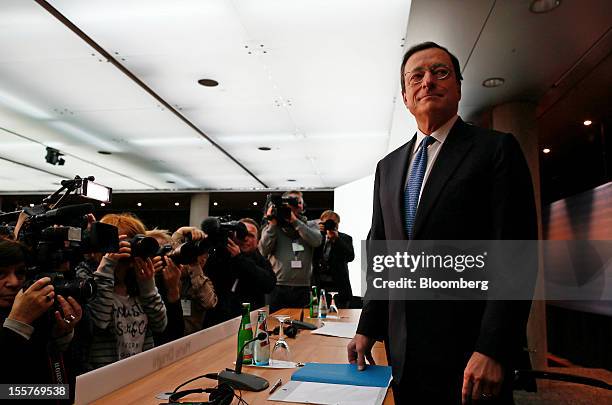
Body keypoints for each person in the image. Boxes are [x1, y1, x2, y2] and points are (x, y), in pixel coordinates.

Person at [347, 42, 537, 404]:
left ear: (459, 87)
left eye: (440, 72)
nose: (428, 81)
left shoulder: (496, 149)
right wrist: (368, 327)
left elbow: (517, 255)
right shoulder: (387, 167)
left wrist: (493, 348)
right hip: (404, 355)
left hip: (470, 356)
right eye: (416, 76)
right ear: (405, 96)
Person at [0, 239, 82, 402]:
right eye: (1, 274)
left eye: (20, 273)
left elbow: (66, 385)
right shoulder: (26, 314)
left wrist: (61, 337)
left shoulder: (39, 311)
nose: (14, 283)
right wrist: (17, 323)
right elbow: (5, 391)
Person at [86, 213, 167, 370]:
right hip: (105, 375)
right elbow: (100, 323)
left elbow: (160, 325)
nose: (130, 248)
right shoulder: (88, 280)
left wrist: (148, 285)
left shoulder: (138, 284)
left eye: (135, 241)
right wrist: (108, 265)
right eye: (123, 242)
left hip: (141, 371)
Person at [203, 219, 276, 326]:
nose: (245, 238)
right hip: (219, 321)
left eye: (251, 235)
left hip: (250, 321)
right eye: (241, 234)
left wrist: (239, 258)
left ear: (258, 240)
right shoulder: (220, 255)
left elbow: (269, 285)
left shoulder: (260, 260)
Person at [259, 191, 322, 312]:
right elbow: (262, 251)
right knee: (275, 325)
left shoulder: (310, 225)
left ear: (302, 206)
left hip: (303, 287)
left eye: (298, 202)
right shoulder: (273, 227)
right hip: (277, 287)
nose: (294, 205)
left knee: (301, 325)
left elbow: (316, 241)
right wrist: (272, 223)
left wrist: (294, 221)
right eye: (289, 202)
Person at [170, 226, 218, 335]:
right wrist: (180, 232)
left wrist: (194, 265)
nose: (202, 259)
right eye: (199, 255)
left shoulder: (203, 280)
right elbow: (169, 251)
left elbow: (209, 303)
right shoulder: (170, 272)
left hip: (191, 338)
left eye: (205, 256)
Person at [313, 210, 355, 308]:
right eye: (326, 223)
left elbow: (350, 257)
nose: (329, 225)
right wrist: (316, 231)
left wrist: (337, 240)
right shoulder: (316, 238)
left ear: (337, 224)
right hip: (319, 284)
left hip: (338, 286)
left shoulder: (345, 238)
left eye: (332, 223)